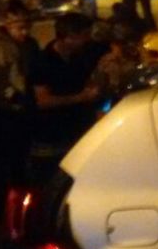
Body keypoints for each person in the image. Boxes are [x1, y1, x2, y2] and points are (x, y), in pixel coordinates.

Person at [0, 0, 39, 224]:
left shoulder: (28, 45)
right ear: (7, 25)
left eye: (26, 27)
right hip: (6, 112)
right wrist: (14, 99)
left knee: (21, 159)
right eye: (18, 28)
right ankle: (0, 207)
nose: (23, 32)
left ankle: (20, 204)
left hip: (24, 110)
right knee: (5, 159)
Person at [28, 13, 102, 181]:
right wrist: (80, 98)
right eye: (83, 36)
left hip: (76, 131)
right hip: (50, 136)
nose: (87, 40)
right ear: (67, 37)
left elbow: (86, 82)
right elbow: (42, 100)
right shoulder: (42, 61)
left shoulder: (79, 56)